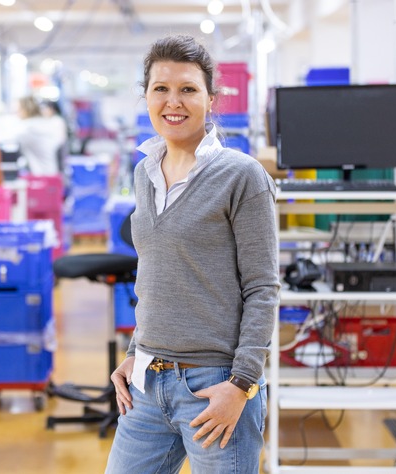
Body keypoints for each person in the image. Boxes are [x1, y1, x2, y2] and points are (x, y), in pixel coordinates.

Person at [105, 34, 280, 474]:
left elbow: (262, 287)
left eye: (187, 89)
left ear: (210, 98)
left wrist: (241, 385)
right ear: (145, 95)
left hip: (215, 385)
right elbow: (156, 270)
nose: (173, 102)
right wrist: (135, 348)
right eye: (160, 88)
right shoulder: (144, 171)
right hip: (146, 383)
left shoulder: (242, 176)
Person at [15, 96, 61, 176]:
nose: (16, 113)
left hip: (40, 176)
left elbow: (4, 138)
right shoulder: (45, 123)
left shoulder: (28, 128)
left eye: (18, 110)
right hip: (52, 173)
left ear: (25, 110)